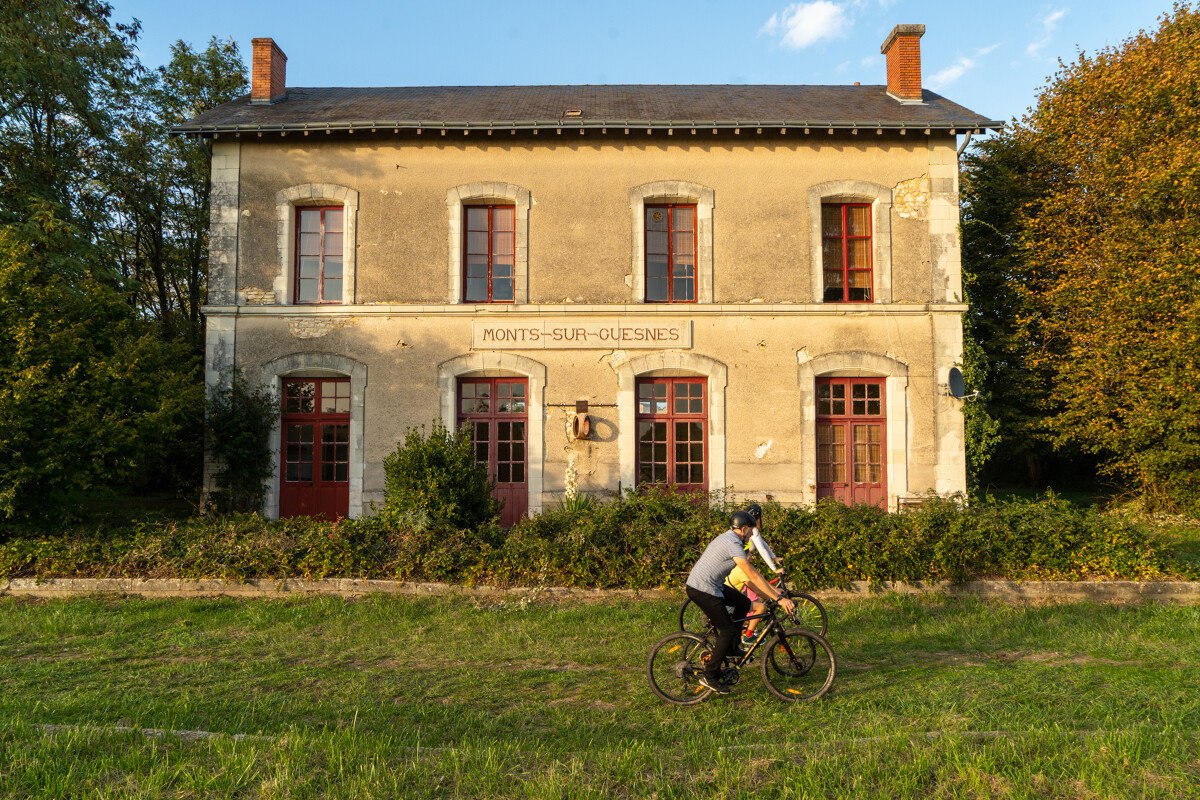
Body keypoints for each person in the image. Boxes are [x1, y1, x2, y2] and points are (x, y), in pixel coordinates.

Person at [685, 510, 796, 694]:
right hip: (702, 589)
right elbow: (751, 573)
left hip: (713, 586)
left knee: (744, 604)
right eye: (751, 532)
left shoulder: (729, 538)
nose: (752, 535)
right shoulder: (733, 543)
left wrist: (774, 593)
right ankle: (710, 676)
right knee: (727, 629)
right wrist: (778, 597)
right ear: (743, 529)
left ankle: (732, 649)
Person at [724, 504, 785, 649]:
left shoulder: (748, 529)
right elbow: (761, 550)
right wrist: (774, 593)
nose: (752, 555)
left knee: (755, 585)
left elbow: (763, 544)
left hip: (733, 581)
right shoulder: (750, 530)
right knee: (757, 603)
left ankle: (747, 625)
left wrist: (774, 558)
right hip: (728, 589)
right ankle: (749, 634)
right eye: (750, 554)